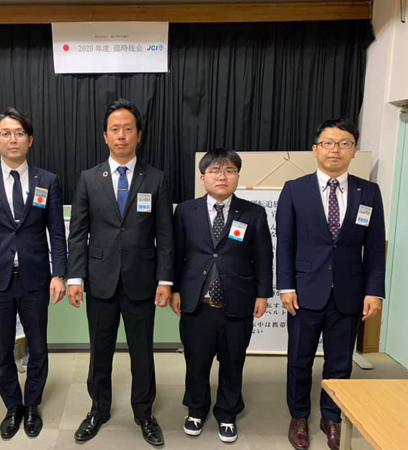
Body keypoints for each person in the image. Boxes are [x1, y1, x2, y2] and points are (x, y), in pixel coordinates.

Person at [67, 99, 174, 446]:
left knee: (142, 353)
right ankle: (98, 410)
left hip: (142, 281)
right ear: (105, 135)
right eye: (115, 129)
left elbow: (165, 235)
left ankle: (144, 413)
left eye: (128, 129)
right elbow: (77, 232)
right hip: (100, 281)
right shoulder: (88, 178)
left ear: (139, 135)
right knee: (100, 352)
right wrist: (74, 278)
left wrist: (165, 279)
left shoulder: (156, 178)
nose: (122, 135)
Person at [276, 118, 385, 450]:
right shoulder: (295, 189)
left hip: (349, 292)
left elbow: (375, 246)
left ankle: (332, 417)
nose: (335, 149)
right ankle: (298, 416)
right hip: (304, 291)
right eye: (328, 143)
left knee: (339, 362)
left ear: (354, 150)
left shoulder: (369, 192)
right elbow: (286, 243)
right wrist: (286, 286)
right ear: (315, 149)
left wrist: (374, 290)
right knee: (300, 359)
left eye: (344, 143)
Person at [0, 107, 67, 440]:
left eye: (19, 133)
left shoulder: (47, 181)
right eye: (6, 133)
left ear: (30, 140)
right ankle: (12, 405)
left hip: (35, 278)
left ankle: (32, 404)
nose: (13, 139)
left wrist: (59, 273)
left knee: (38, 347)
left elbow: (56, 231)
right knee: (1, 349)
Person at [171, 148, 273, 443]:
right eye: (214, 171)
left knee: (233, 361)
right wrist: (175, 289)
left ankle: (227, 412)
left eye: (230, 170)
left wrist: (263, 294)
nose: (222, 176)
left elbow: (263, 257)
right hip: (196, 302)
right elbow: (176, 254)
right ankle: (196, 408)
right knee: (196, 361)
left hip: (237, 301)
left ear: (237, 176)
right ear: (202, 177)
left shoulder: (253, 213)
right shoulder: (186, 211)